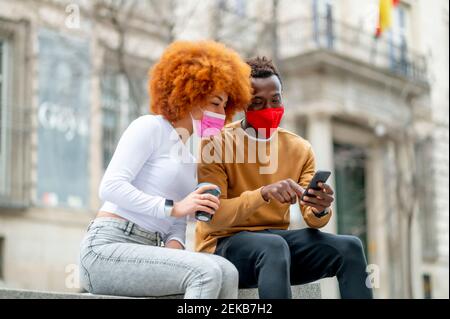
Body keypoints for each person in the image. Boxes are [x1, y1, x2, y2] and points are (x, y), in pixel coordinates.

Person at [79, 41, 253, 299]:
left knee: (227, 271)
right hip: (107, 247)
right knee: (206, 272)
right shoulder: (149, 127)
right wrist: (174, 206)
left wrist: (177, 254)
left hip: (149, 250)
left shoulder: (190, 158)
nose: (222, 113)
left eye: (225, 106)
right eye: (216, 103)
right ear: (191, 95)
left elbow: (175, 227)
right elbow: (110, 186)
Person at [195, 56, 373, 299]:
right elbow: (213, 219)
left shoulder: (299, 148)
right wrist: (263, 194)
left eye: (275, 100)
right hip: (223, 245)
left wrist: (319, 208)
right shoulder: (215, 143)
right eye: (257, 102)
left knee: (350, 247)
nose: (268, 109)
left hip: (277, 248)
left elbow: (313, 219)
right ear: (242, 104)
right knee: (273, 246)